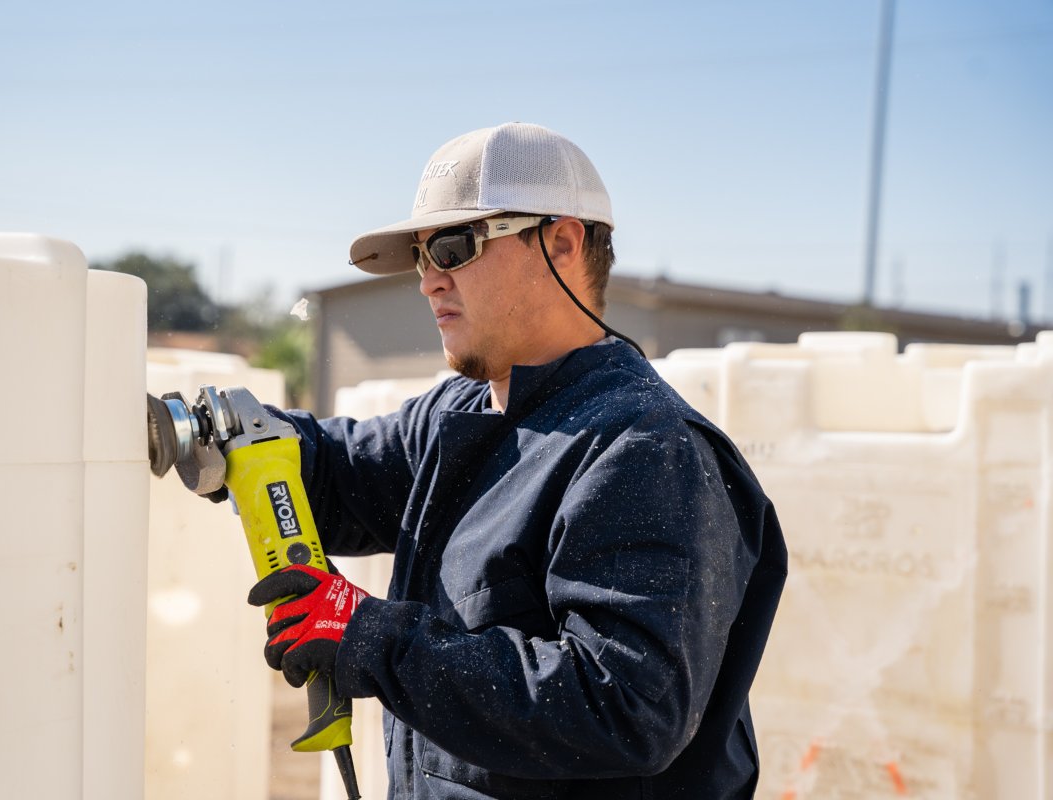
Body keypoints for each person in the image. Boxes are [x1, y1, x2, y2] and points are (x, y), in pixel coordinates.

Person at [247, 122, 788, 799]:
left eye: (453, 246)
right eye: (420, 257)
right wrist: (226, 435)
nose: (428, 282)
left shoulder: (645, 449)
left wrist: (376, 641)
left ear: (562, 242)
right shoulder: (467, 413)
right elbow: (338, 474)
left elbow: (622, 705)